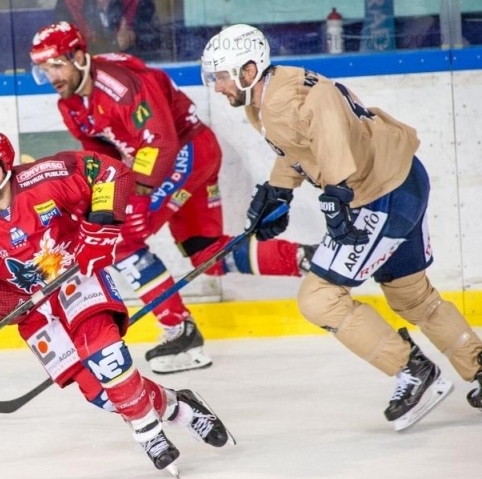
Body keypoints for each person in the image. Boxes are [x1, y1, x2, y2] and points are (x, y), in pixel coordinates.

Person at [200, 24, 482, 430]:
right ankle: (477, 365)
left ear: (248, 70)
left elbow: (328, 113)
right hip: (403, 179)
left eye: (221, 76)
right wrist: (279, 191)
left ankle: (414, 370)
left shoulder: (279, 101)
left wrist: (336, 192)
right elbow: (303, 140)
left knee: (318, 298)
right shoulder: (271, 93)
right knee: (412, 297)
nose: (217, 86)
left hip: (379, 193)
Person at [0, 128, 234, 475]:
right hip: (30, 310)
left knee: (103, 353)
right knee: (100, 392)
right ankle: (180, 408)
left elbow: (110, 172)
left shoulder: (46, 178)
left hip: (75, 275)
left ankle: (148, 433)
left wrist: (101, 228)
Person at [29, 21, 317, 375]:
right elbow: (100, 155)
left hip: (186, 152)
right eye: (44, 70)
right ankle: (308, 260)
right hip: (175, 158)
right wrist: (103, 194)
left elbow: (161, 142)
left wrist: (134, 194)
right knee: (207, 255)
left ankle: (179, 329)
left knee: (121, 236)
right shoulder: (71, 103)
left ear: (77, 55)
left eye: (56, 65)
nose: (52, 76)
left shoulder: (121, 86)